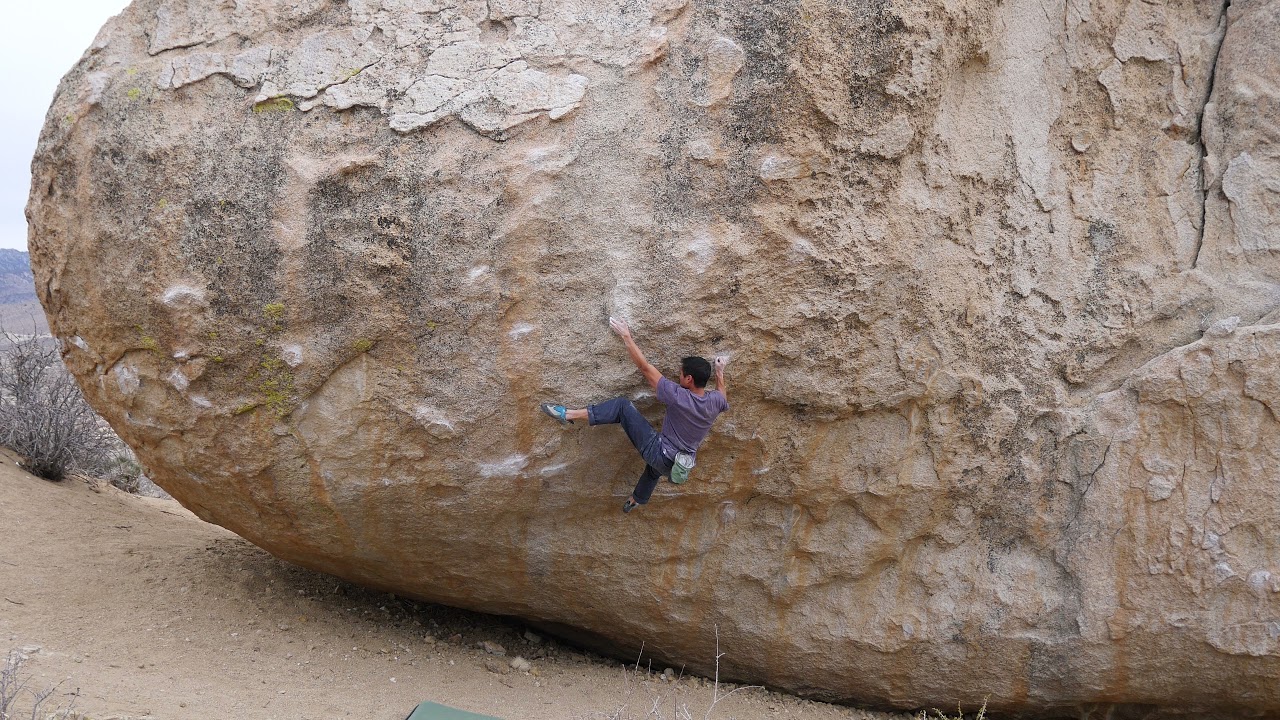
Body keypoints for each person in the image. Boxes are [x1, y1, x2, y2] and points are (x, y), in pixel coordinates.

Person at [540, 317, 729, 513]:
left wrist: (626, 336)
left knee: (622, 406)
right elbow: (722, 395)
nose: (678, 376)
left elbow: (645, 368)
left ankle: (569, 414)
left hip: (660, 454)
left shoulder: (678, 396)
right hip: (678, 467)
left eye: (681, 374)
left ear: (689, 379)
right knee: (654, 470)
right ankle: (637, 499)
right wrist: (720, 372)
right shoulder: (716, 402)